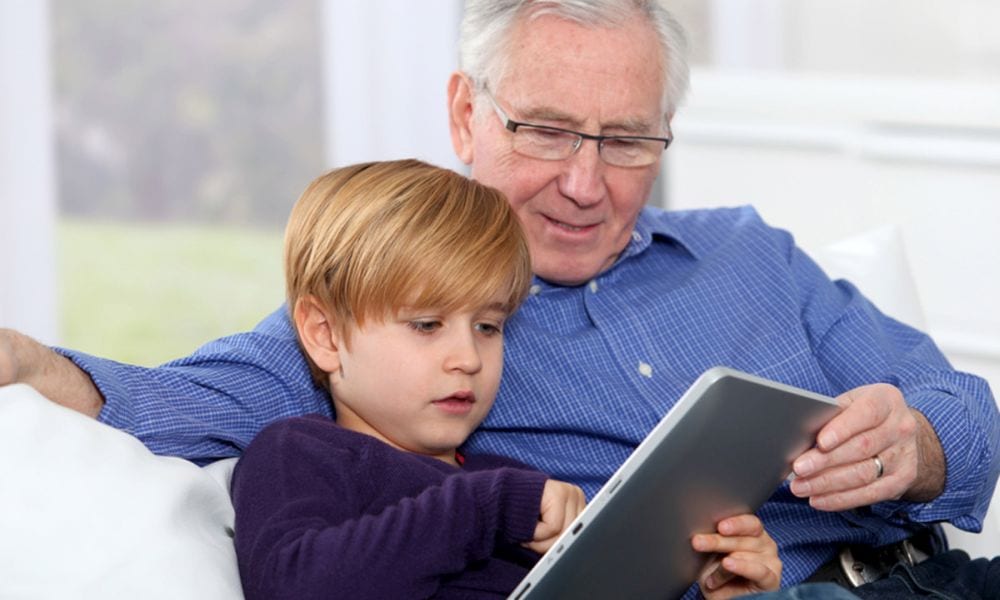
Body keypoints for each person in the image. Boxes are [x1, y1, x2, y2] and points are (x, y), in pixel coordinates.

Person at [1, 1, 997, 597]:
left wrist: (920, 446)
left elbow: (966, 412)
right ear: (463, 115)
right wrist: (37, 366)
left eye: (625, 140)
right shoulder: (394, 325)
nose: (582, 181)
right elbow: (175, 402)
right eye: (546, 131)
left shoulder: (751, 251)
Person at [231, 158, 782, 599]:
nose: (468, 357)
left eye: (489, 326)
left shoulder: (509, 477)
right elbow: (295, 584)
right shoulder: (301, 453)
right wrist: (488, 507)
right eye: (427, 325)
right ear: (324, 334)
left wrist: (714, 585)